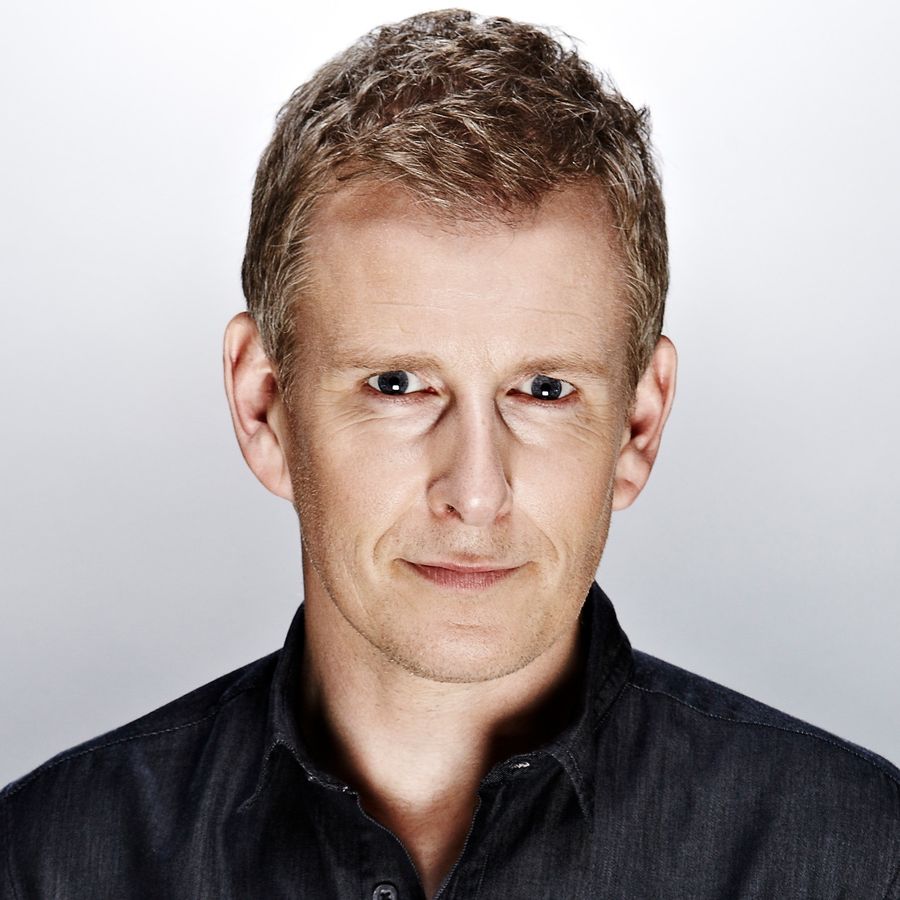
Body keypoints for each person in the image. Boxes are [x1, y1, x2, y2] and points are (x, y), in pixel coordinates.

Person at [2, 8, 897, 898]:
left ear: (639, 424)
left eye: (544, 390)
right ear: (263, 406)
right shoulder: (44, 863)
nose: (475, 492)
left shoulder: (859, 862)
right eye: (397, 385)